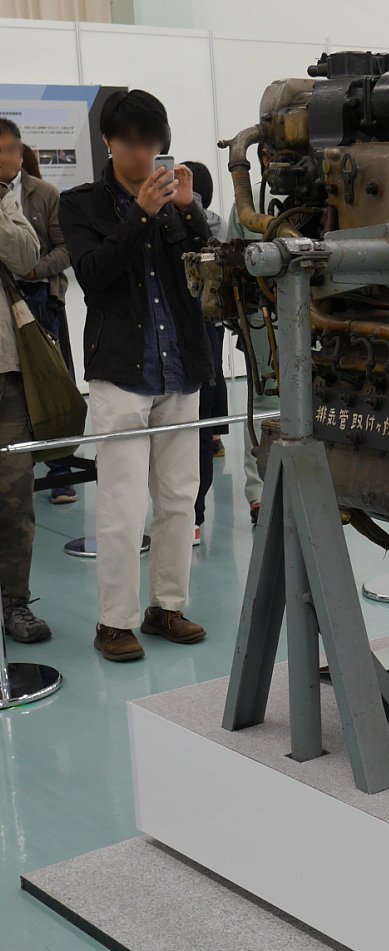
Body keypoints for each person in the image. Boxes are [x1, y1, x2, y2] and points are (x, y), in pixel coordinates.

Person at [60, 89, 212, 662]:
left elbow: (209, 271)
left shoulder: (175, 201)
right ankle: (114, 622)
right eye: (129, 141)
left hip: (181, 367)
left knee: (179, 499)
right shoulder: (81, 204)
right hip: (121, 371)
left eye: (151, 142)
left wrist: (189, 211)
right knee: (122, 508)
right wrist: (140, 215)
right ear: (108, 141)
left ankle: (166, 607)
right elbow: (94, 275)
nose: (141, 153)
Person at [0, 118, 78, 504]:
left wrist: (36, 270)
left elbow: (66, 247)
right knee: (16, 392)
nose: (4, 157)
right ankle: (21, 468)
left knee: (51, 384)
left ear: (21, 151)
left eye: (9, 149)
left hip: (40, 299)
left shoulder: (44, 193)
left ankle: (61, 470)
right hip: (6, 303)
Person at [0, 145, 48, 643]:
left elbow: (27, 255)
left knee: (15, 498)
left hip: (7, 372)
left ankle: (15, 602)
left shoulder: (3, 200)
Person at [226, 143, 280, 527]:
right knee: (263, 400)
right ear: (264, 158)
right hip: (263, 314)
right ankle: (260, 493)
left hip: (299, 315)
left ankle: (265, 493)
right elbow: (233, 260)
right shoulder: (250, 201)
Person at [186, 160, 228, 544]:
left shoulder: (202, 222)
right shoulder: (218, 223)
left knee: (194, 429)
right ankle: (194, 516)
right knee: (200, 427)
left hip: (193, 334)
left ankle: (193, 515)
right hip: (210, 331)